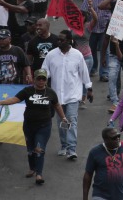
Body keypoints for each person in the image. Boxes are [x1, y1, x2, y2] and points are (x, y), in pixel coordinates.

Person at [0, 69, 67, 185]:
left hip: (44, 126)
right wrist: (1, 102)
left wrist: (63, 117)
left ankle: (39, 174)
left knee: (39, 148)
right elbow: (15, 99)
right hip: (29, 126)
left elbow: (57, 105)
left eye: (44, 78)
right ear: (34, 79)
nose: (41, 81)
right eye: (39, 78)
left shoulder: (51, 93)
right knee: (30, 149)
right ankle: (32, 168)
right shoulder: (27, 91)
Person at [41, 30, 93, 160]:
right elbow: (45, 71)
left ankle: (71, 149)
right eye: (58, 39)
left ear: (69, 41)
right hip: (57, 97)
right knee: (61, 122)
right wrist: (41, 82)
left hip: (73, 95)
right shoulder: (51, 55)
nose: (58, 42)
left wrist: (89, 88)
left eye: (62, 40)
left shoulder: (77, 55)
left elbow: (84, 73)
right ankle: (64, 145)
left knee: (71, 120)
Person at [83, 127, 123, 200]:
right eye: (114, 138)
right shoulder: (95, 152)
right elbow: (88, 174)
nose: (117, 139)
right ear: (105, 140)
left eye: (118, 136)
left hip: (122, 195)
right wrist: (85, 197)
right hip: (100, 195)